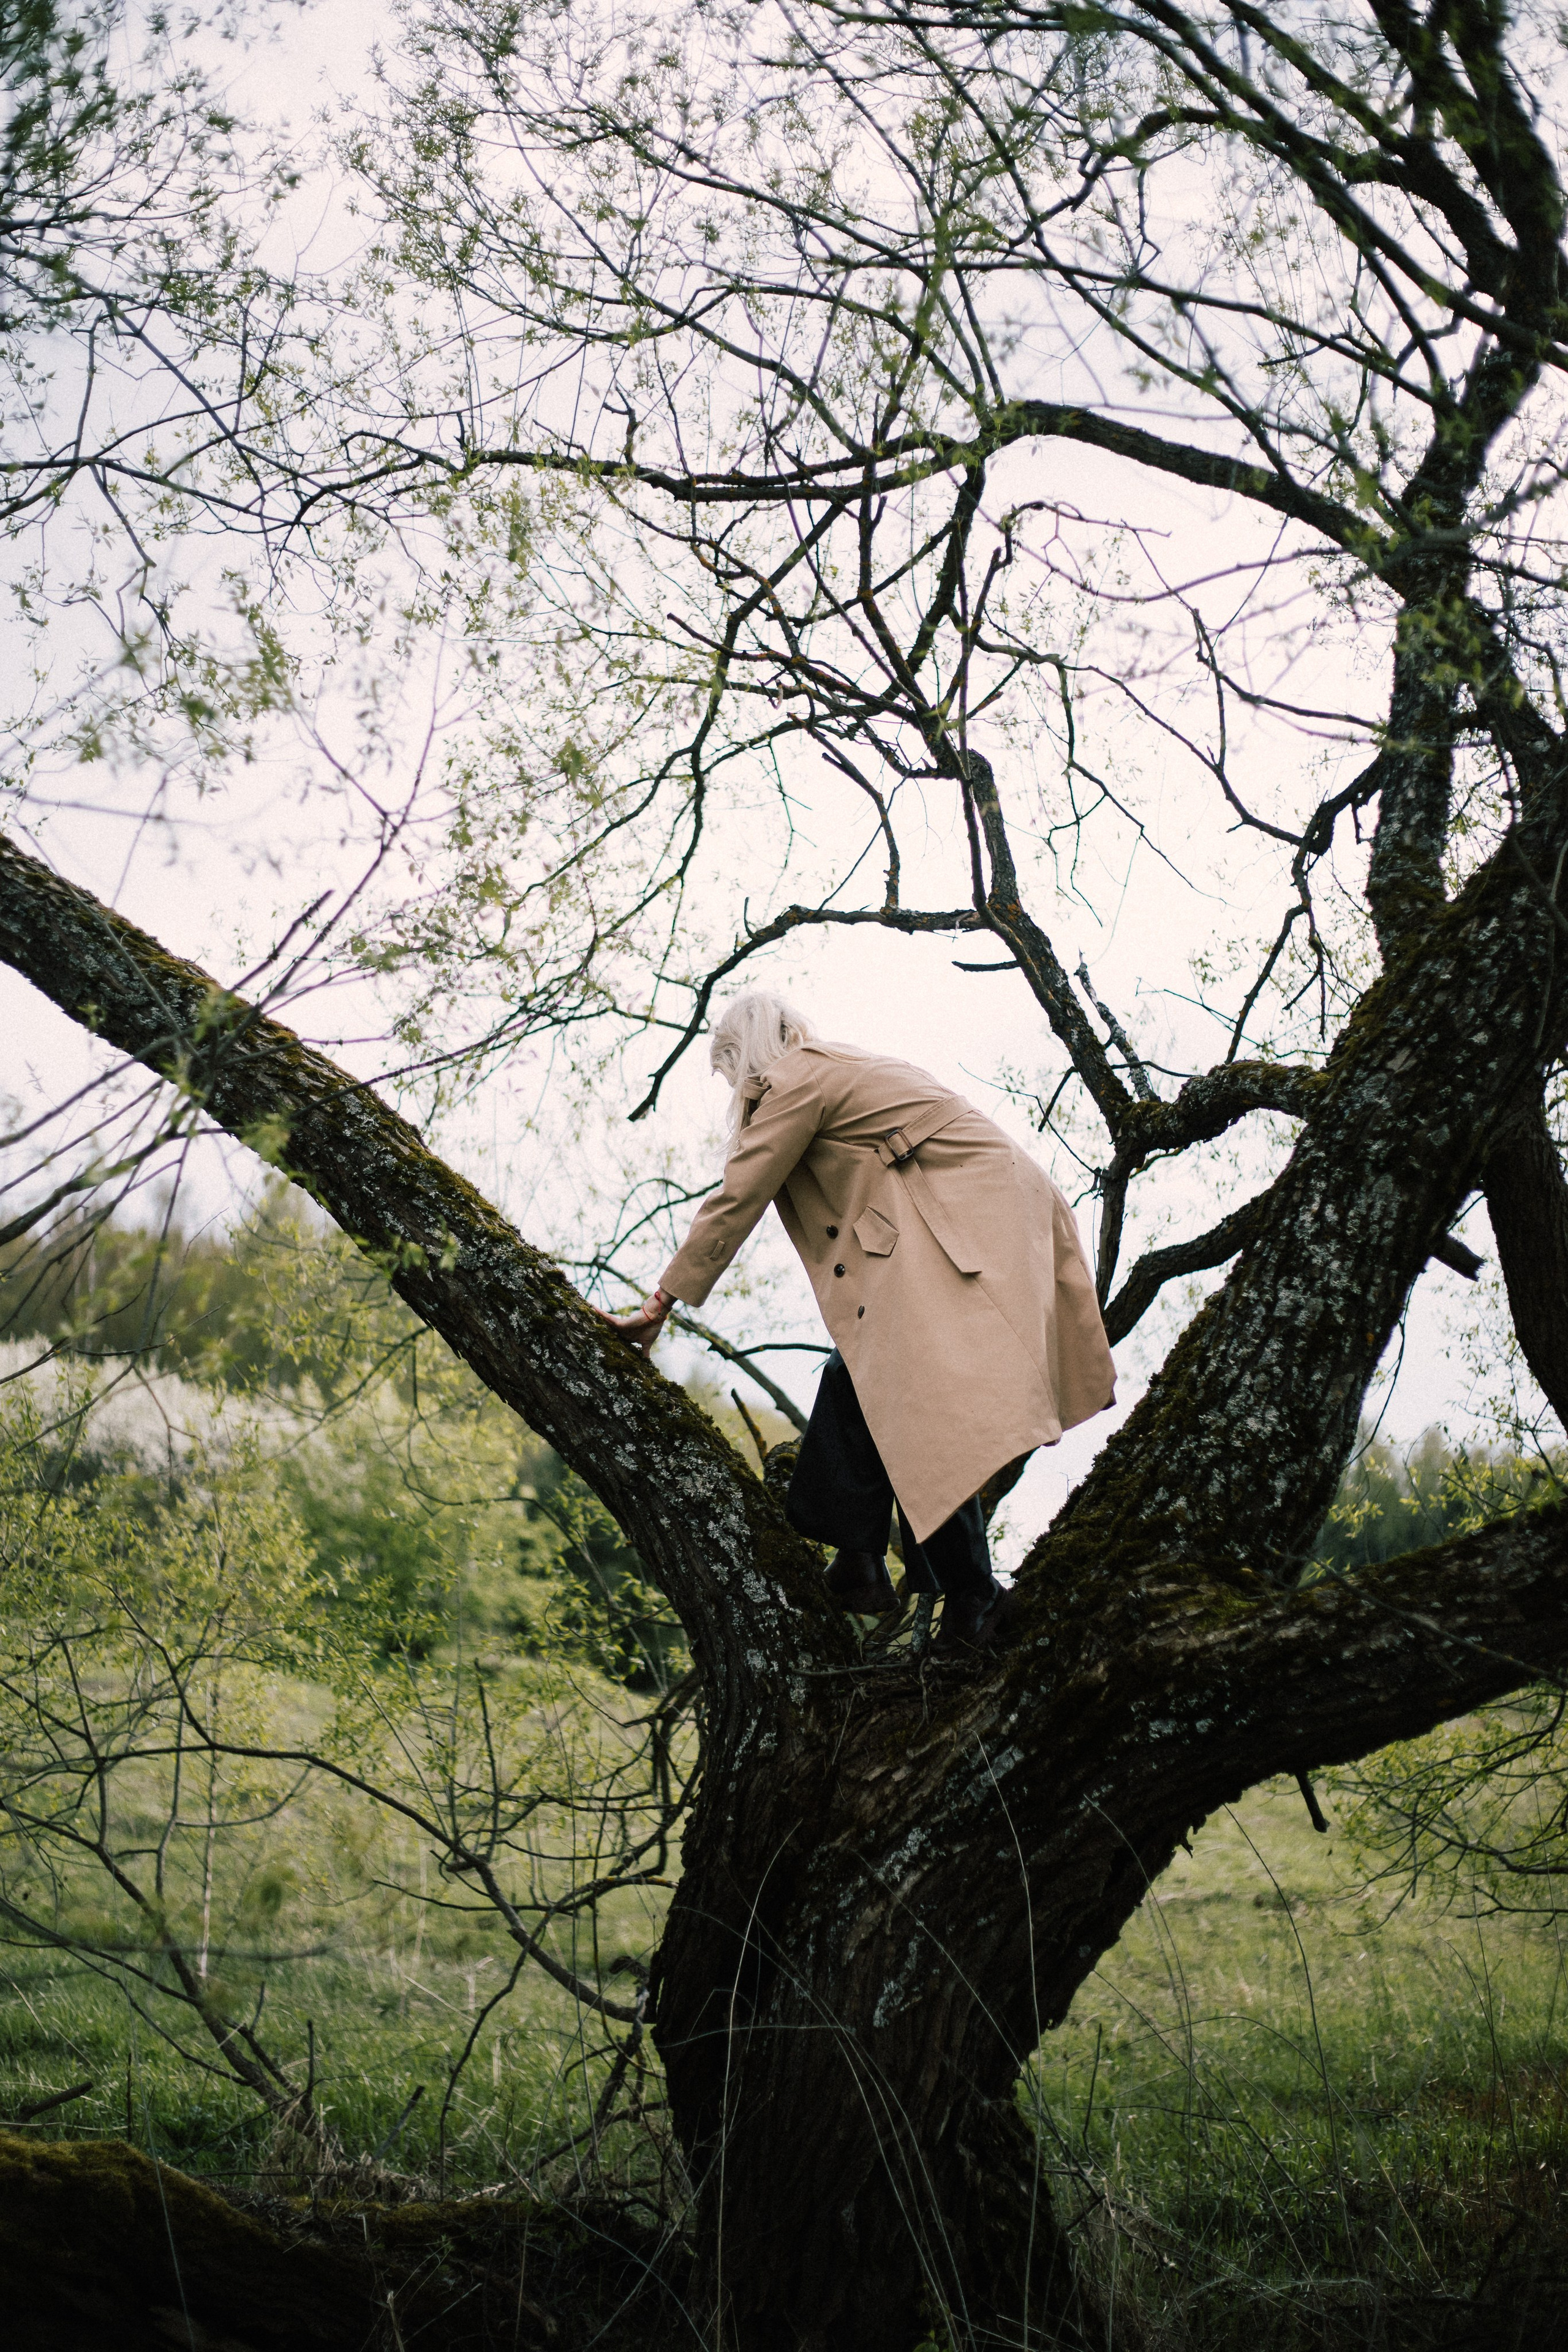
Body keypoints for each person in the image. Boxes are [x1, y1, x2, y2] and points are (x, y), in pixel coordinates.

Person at [605, 989, 1116, 1649]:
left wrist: (660, 1303)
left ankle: (903, 1574)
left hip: (972, 1214)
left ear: (744, 1055)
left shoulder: (797, 1078)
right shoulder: (832, 1069)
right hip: (973, 1210)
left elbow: (739, 1195)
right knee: (893, 1399)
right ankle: (916, 1582)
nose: (736, 1091)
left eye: (730, 1073)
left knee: (884, 1387)